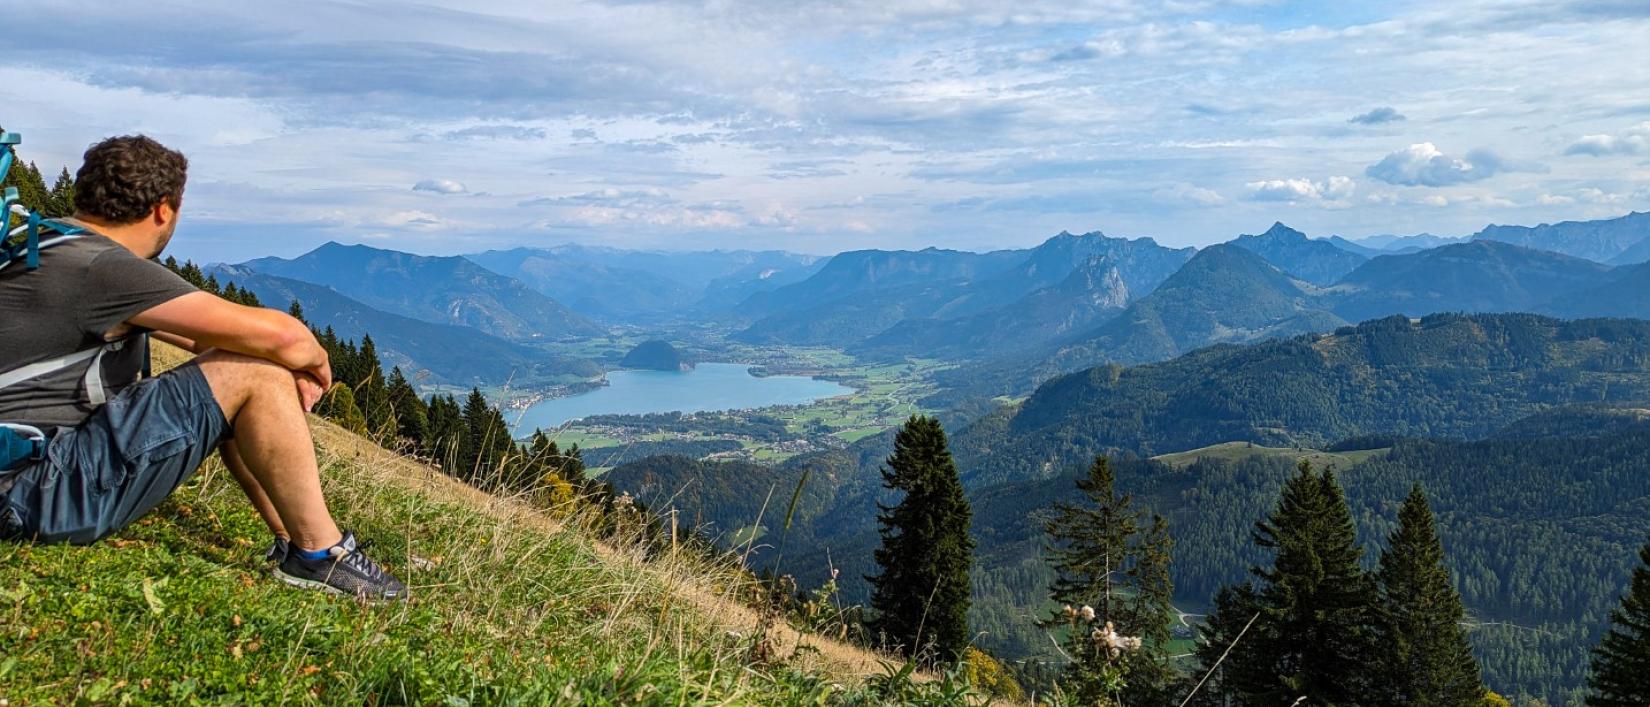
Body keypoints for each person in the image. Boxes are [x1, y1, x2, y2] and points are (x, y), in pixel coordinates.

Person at [0, 135, 405, 601]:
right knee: (254, 373)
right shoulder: (102, 266)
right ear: (163, 210)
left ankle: (293, 540)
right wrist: (315, 367)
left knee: (239, 369)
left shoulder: (41, 243)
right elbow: (286, 338)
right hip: (37, 493)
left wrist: (261, 358)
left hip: (23, 479)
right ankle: (320, 554)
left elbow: (201, 338)